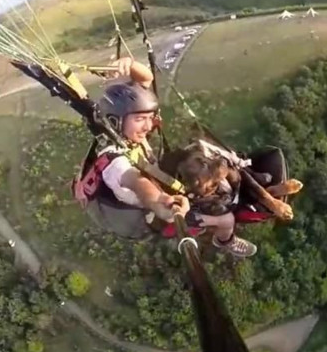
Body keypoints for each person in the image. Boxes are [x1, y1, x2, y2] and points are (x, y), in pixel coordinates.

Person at [97, 57, 257, 257]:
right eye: (139, 119)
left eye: (149, 118)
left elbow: (145, 79)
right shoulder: (115, 163)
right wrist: (160, 201)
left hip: (162, 181)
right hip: (156, 214)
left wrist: (130, 64)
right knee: (227, 220)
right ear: (116, 121)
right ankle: (226, 240)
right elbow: (137, 182)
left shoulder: (125, 133)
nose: (147, 126)